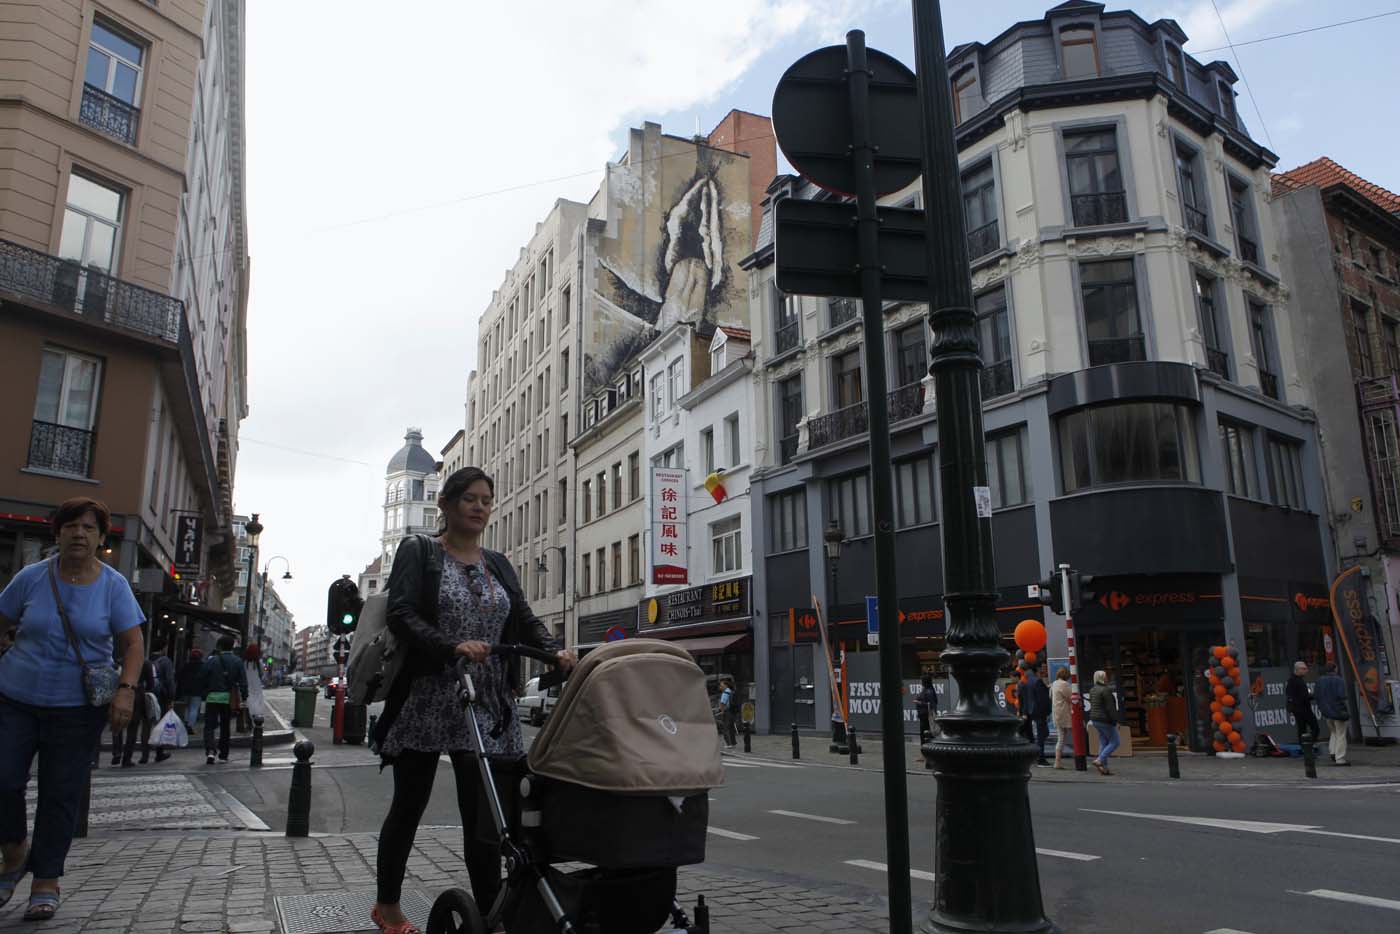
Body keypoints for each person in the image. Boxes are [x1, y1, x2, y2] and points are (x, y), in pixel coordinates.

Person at [371, 467, 576, 934]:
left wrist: (553, 651)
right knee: (409, 805)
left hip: (484, 699)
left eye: (487, 499)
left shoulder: (498, 563)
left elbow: (522, 617)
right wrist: (451, 647)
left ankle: (490, 911)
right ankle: (387, 906)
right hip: (428, 694)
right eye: (470, 498)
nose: (481, 507)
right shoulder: (420, 551)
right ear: (445, 504)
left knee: (485, 816)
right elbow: (401, 612)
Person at [0, 498, 145, 921]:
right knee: (4, 778)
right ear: (57, 533)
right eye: (70, 526)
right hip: (15, 698)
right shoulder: (31, 578)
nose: (79, 533)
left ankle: (46, 879)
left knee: (60, 794)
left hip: (76, 708)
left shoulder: (113, 585)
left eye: (88, 527)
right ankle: (13, 851)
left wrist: (126, 690)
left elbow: (133, 644)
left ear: (101, 538)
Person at [201, 636, 247, 765]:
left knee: (209, 726)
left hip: (212, 697)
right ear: (232, 647)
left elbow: (202, 677)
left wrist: (204, 693)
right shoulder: (237, 661)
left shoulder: (212, 661)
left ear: (219, 646)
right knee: (225, 726)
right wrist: (244, 696)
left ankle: (210, 750)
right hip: (228, 698)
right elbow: (243, 681)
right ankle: (223, 754)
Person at [116, 655, 158, 767]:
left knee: (118, 724)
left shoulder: (121, 661)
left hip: (120, 693)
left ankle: (117, 753)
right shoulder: (145, 663)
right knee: (133, 729)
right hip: (137, 695)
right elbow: (151, 684)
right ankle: (127, 758)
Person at [1313, 663, 1349, 766]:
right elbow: (1342, 696)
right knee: (1341, 734)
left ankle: (1332, 752)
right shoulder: (1339, 680)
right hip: (1338, 711)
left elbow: (1316, 696)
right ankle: (1340, 758)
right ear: (1335, 669)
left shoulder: (1319, 681)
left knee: (1333, 732)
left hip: (1326, 711)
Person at [1088, 670, 1120, 775]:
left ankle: (1104, 768)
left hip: (1095, 719)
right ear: (1102, 678)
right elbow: (1110, 708)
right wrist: (1116, 721)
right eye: (1106, 676)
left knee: (1103, 742)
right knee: (1115, 742)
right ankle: (1100, 760)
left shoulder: (1092, 690)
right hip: (1105, 720)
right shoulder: (1106, 690)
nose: (1107, 678)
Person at [1286, 660, 1319, 751]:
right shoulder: (1296, 681)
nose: (1306, 670)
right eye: (1303, 669)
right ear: (1297, 670)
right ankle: (1308, 746)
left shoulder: (1294, 680)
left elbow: (1291, 695)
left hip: (1298, 709)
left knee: (1302, 729)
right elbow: (1302, 696)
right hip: (1303, 709)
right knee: (1314, 727)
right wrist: (1313, 696)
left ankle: (1305, 747)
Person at [176, 648, 205, 731]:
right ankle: (190, 725)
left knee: (187, 707)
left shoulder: (186, 665)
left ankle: (185, 722)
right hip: (197, 690)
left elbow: (180, 677)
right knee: (194, 708)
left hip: (186, 689)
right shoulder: (203, 666)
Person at [1029, 666, 1052, 767]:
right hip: (1040, 712)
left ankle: (1036, 754)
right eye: (1041, 671)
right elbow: (1043, 699)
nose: (1042, 672)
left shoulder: (1030, 681)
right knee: (1041, 735)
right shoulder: (1038, 681)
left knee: (1042, 734)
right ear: (1037, 671)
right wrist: (1047, 713)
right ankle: (1040, 758)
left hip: (1033, 711)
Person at [1050, 668, 1073, 769]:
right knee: (1073, 735)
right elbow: (1071, 697)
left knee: (1061, 738)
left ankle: (1057, 762)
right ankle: (1079, 756)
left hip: (1056, 713)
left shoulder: (1054, 684)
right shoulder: (1064, 684)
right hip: (1065, 713)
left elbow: (1050, 696)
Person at [717, 678, 738, 749]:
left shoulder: (725, 693)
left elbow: (723, 703)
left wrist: (721, 711)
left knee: (725, 728)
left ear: (726, 685)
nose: (720, 686)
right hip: (732, 712)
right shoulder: (731, 691)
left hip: (727, 712)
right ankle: (733, 743)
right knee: (731, 727)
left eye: (721, 685)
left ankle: (729, 744)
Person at [915, 673, 935, 745]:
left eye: (921, 680)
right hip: (923, 715)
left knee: (925, 733)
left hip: (926, 715)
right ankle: (924, 747)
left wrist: (919, 702)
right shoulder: (926, 690)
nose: (920, 682)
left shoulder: (929, 691)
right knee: (924, 733)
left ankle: (926, 747)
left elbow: (931, 704)